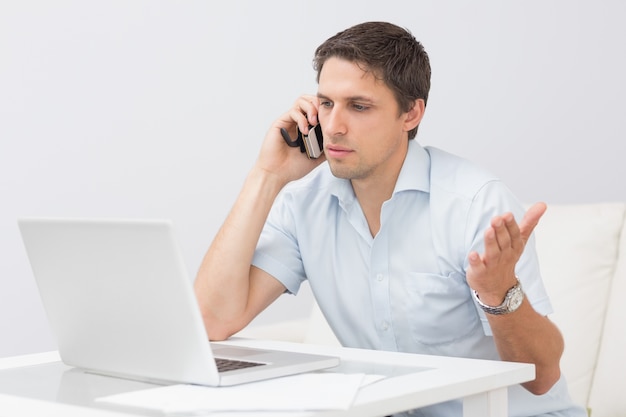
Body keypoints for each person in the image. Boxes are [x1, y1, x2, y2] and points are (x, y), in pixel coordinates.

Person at [194, 21, 586, 416]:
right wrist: (267, 175)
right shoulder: (304, 204)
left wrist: (500, 291)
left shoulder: (474, 203)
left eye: (359, 106)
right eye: (326, 104)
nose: (333, 126)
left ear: (411, 113)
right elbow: (211, 322)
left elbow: (542, 378)